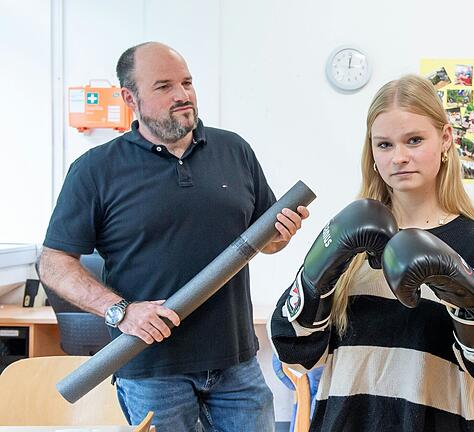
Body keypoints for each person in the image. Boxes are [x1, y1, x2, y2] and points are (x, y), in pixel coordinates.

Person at [38, 42, 309, 432]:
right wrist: (121, 311)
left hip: (236, 363)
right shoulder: (95, 170)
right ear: (130, 98)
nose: (183, 95)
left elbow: (267, 241)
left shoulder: (234, 150)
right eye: (164, 86)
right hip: (151, 370)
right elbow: (54, 263)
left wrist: (281, 235)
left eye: (187, 82)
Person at [269, 74, 474, 431]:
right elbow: (296, 353)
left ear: (446, 139)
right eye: (385, 145)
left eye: (414, 140)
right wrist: (319, 270)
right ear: (372, 152)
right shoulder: (350, 238)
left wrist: (466, 293)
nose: (399, 157)